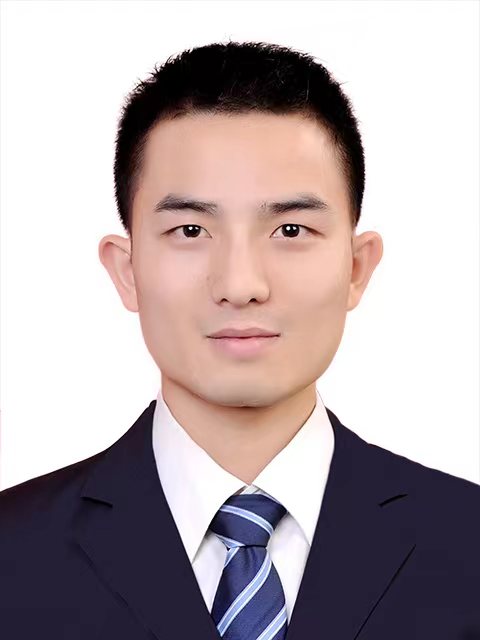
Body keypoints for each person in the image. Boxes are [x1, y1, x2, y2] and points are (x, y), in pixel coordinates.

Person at [1, 40, 479, 640]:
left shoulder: (468, 546)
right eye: (190, 229)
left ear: (357, 268)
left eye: (291, 229)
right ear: (127, 271)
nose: (240, 285)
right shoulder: (11, 557)